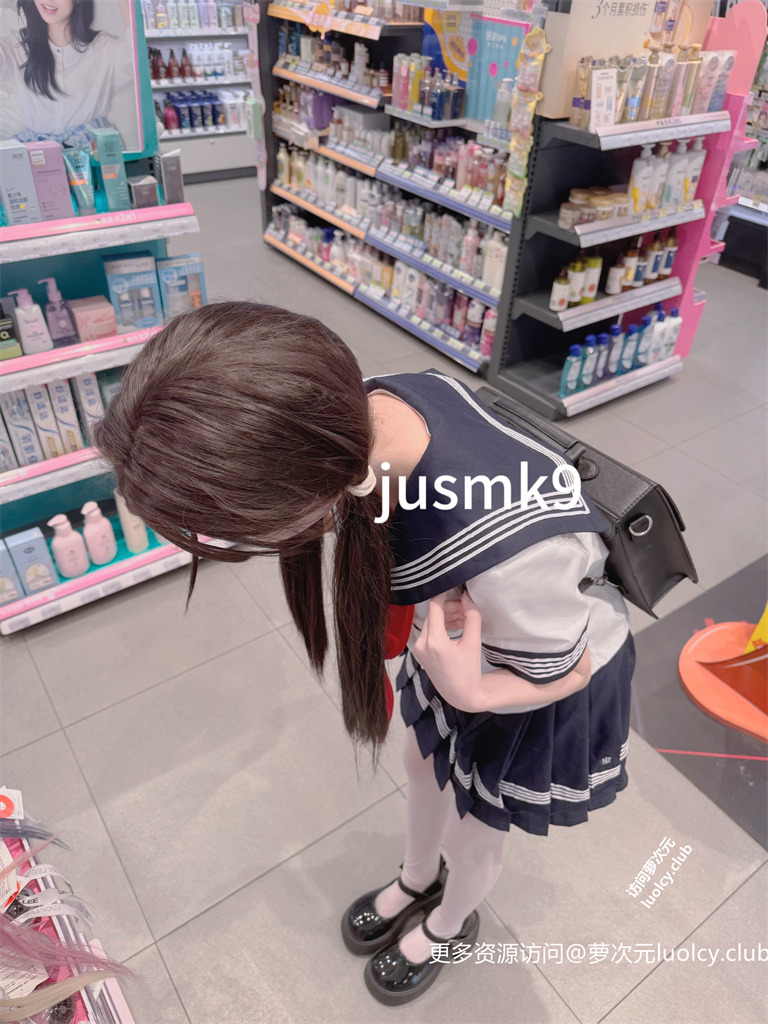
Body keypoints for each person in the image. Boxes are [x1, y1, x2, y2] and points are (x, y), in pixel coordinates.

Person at [93, 302, 634, 1006]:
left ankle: (448, 922)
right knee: (420, 762)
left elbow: (572, 668)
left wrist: (473, 693)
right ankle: (416, 876)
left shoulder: (519, 551)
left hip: (531, 678)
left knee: (475, 835)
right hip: (459, 646)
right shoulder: (371, 410)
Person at [0, 0, 134, 147]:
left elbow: (138, 61)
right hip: (38, 152)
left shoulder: (104, 48)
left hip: (93, 149)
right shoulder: (17, 45)